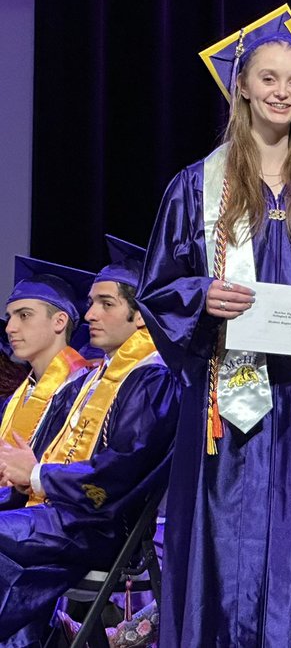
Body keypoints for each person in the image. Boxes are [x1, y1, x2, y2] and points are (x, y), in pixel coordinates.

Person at [138, 6, 291, 648]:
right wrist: (201, 294)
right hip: (228, 402)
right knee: (224, 541)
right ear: (240, 84)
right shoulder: (195, 187)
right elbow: (157, 290)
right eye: (269, 79)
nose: (282, 93)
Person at [0, 250, 179, 645]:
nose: (91, 314)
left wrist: (34, 475)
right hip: (65, 518)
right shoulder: (97, 378)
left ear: (140, 314)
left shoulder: (152, 379)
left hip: (101, 527)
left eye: (106, 303)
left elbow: (118, 474)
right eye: (92, 303)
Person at [0, 256, 95, 511]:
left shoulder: (84, 391)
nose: (10, 327)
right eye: (9, 317)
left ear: (59, 322)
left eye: (24, 315)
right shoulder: (17, 397)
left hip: (52, 517)